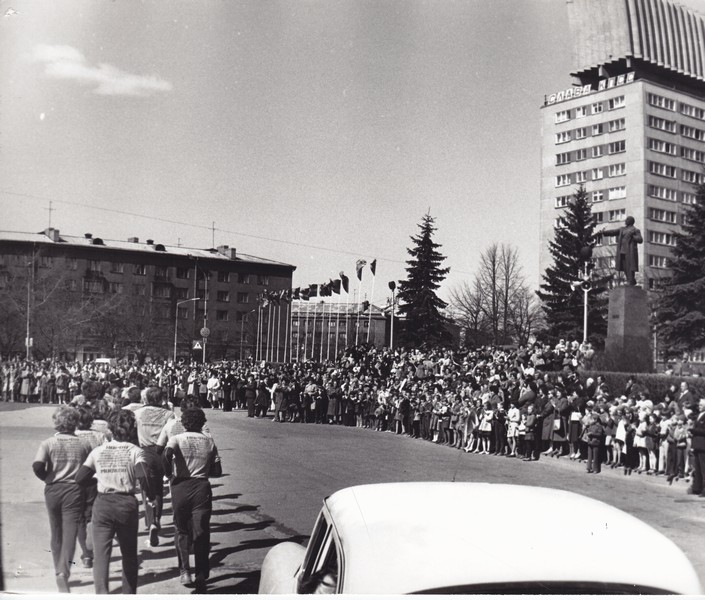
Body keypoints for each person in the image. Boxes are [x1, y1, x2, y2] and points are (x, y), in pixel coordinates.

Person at [76, 409, 155, 594]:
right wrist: (150, 496)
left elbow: (80, 478)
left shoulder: (98, 451)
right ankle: (128, 594)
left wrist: (100, 478)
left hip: (103, 503)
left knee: (101, 556)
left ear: (110, 429)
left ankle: (102, 594)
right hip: (126, 503)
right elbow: (143, 476)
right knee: (129, 554)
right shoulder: (136, 451)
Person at [32, 405, 93, 593]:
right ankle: (63, 573)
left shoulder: (48, 443)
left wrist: (47, 478)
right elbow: (88, 469)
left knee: (56, 531)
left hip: (53, 489)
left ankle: (57, 568)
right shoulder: (84, 444)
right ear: (74, 423)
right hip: (74, 490)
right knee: (70, 533)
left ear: (57, 422)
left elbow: (37, 465)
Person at [163, 408, 222, 589]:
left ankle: (184, 571)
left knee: (181, 530)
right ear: (202, 422)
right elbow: (217, 471)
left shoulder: (177, 439)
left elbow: (166, 454)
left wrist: (168, 474)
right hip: (201, 487)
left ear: (184, 423)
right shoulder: (209, 441)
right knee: (201, 531)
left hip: (180, 485)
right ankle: (201, 573)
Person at [133, 387, 176, 546]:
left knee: (146, 489)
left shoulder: (138, 413)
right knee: (158, 488)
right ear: (161, 399)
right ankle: (156, 519)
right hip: (162, 453)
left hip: (144, 452)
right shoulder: (169, 414)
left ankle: (151, 521)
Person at [600, 216, 643, 286]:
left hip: (630, 251)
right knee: (625, 266)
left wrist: (633, 237)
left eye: (627, 220)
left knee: (630, 266)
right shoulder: (622, 229)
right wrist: (603, 232)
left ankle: (631, 280)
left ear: (631, 221)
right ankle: (630, 279)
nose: (625, 221)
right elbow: (613, 232)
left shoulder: (635, 230)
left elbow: (640, 239)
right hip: (622, 250)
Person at [687, 398, 705, 497]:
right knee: (697, 468)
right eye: (699, 405)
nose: (699, 406)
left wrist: (694, 431)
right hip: (697, 445)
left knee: (703, 469)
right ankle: (697, 488)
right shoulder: (698, 415)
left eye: (702, 405)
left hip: (703, 446)